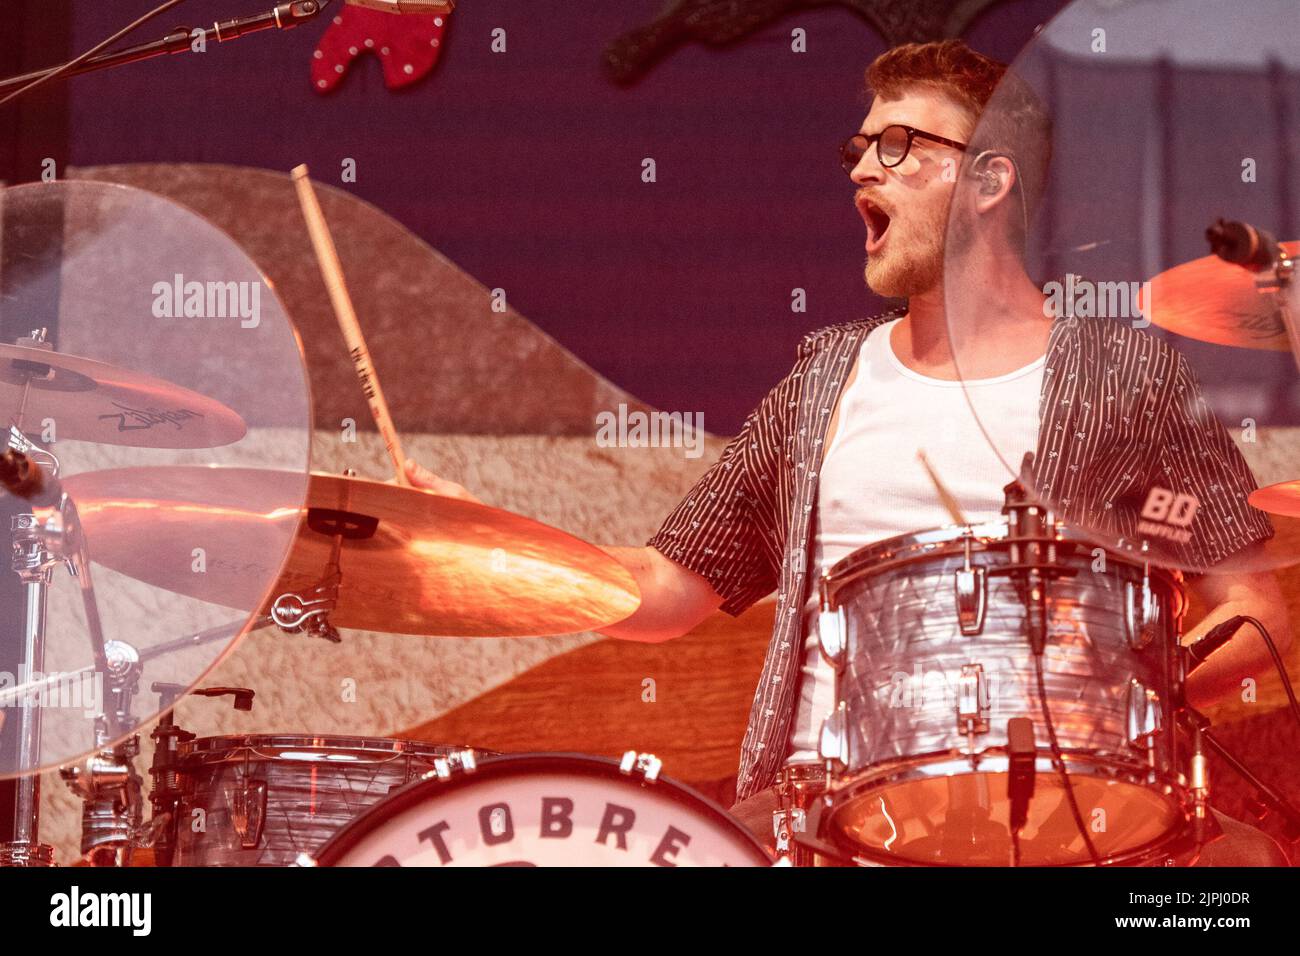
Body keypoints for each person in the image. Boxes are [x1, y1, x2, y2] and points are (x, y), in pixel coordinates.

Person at [408, 40, 1292, 864]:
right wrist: (494, 549)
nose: (865, 168)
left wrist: (1110, 702)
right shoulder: (825, 376)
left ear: (988, 180)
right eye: (860, 149)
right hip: (813, 824)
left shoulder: (1120, 370)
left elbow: (1255, 614)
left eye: (900, 144)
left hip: (1060, 821)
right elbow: (665, 586)